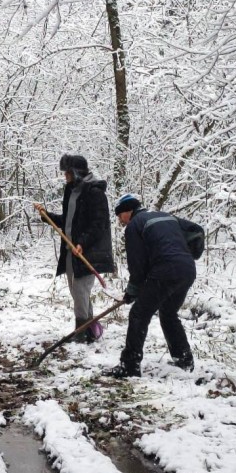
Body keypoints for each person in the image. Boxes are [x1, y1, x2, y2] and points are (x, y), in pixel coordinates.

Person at [106, 194, 196, 378]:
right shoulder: (165, 216)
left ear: (128, 211)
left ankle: (129, 365)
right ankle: (184, 359)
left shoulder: (134, 225)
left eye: (120, 215)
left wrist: (132, 291)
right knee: (168, 313)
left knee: (138, 313)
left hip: (166, 270)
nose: (119, 220)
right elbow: (196, 230)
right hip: (187, 268)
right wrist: (190, 254)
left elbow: (137, 264)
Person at [34, 154, 115, 342]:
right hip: (71, 250)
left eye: (67, 173)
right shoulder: (71, 191)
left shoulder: (94, 193)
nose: (65, 177)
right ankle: (90, 330)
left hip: (88, 251)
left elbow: (99, 224)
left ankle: (82, 333)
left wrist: (83, 243)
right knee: (77, 291)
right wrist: (48, 217)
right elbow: (69, 221)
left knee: (80, 290)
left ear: (76, 173)